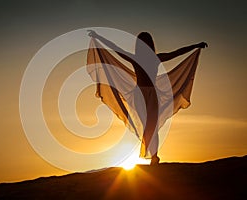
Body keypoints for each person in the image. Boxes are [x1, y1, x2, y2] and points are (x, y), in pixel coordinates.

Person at [87, 30, 208, 165]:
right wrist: (98, 37)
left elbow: (176, 53)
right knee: (149, 126)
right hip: (141, 95)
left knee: (151, 125)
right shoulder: (144, 59)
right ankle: (153, 155)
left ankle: (154, 156)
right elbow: (117, 49)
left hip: (149, 95)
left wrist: (195, 46)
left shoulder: (152, 58)